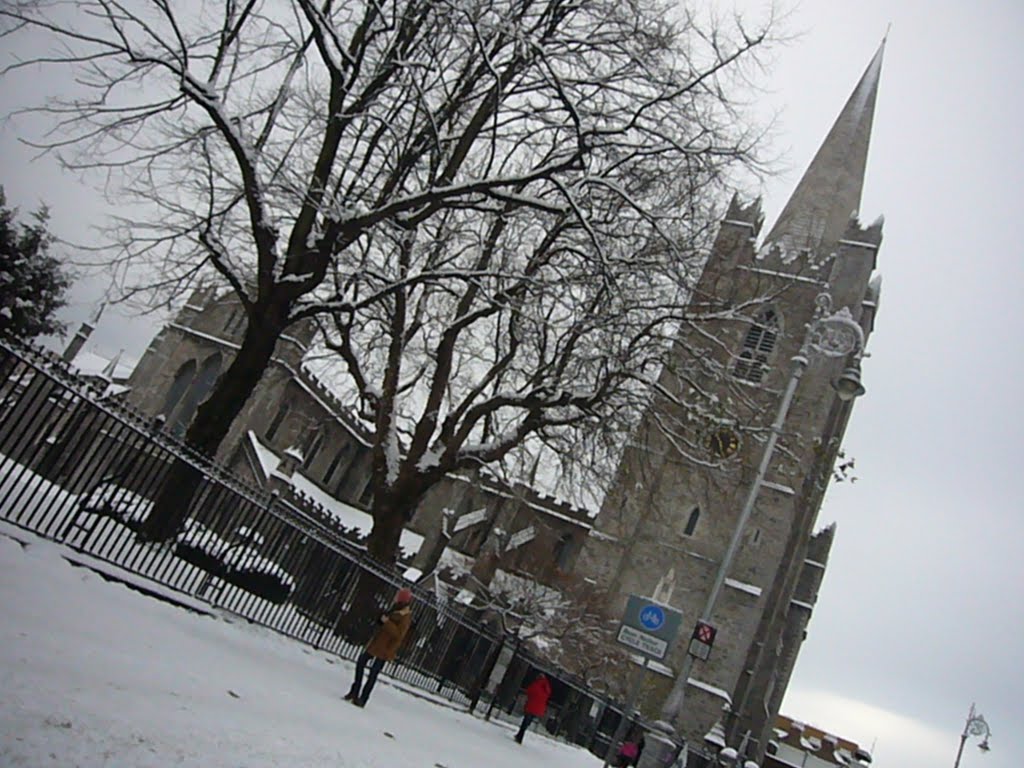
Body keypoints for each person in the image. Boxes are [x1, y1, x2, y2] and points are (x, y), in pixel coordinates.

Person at [345, 587, 414, 707]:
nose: (396, 599)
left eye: (399, 597)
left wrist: (386, 622)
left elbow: (399, 634)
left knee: (373, 673)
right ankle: (355, 691)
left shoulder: (405, 616)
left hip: (386, 648)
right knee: (361, 662)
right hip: (377, 643)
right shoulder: (394, 609)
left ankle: (363, 698)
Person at [514, 672, 552, 744]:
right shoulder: (546, 687)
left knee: (525, 722)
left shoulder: (536, 684)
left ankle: (520, 736)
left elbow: (529, 691)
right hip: (539, 709)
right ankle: (520, 734)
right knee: (527, 721)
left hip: (531, 706)